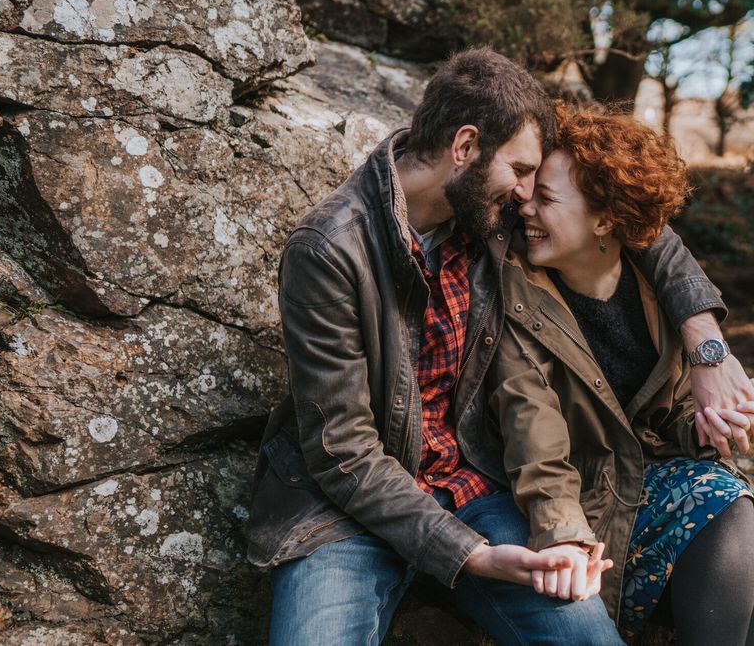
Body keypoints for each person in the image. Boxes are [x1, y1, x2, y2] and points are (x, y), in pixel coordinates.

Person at [246, 48, 754, 645]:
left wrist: (706, 345)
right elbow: (345, 454)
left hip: (471, 480)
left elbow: (631, 214)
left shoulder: (487, 207)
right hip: (344, 511)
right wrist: (474, 557)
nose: (526, 193)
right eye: (519, 172)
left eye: (535, 181)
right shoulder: (329, 249)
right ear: (465, 148)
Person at [491, 105, 754, 644]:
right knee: (729, 508)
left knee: (734, 512)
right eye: (529, 192)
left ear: (606, 219)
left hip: (652, 478)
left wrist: (707, 423)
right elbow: (531, 428)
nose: (525, 209)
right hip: (583, 499)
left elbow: (668, 412)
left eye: (547, 198)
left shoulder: (650, 285)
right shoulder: (516, 293)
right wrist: (561, 534)